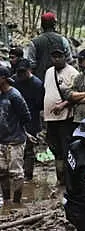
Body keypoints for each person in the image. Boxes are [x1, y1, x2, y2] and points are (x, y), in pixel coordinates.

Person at [43, 44, 79, 185]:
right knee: (54, 147)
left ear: (65, 57)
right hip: (50, 118)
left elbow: (77, 96)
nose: (57, 59)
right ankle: (60, 177)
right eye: (54, 56)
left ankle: (70, 178)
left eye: (60, 56)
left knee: (67, 147)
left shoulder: (72, 73)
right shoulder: (48, 72)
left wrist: (63, 105)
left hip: (65, 118)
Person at [0, 66, 31, 204]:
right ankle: (7, 200)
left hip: (15, 140)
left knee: (16, 173)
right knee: (2, 172)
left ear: (3, 79)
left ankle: (17, 202)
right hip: (2, 140)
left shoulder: (15, 96)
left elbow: (26, 117)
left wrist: (19, 130)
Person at [12, 59, 44, 182]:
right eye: (19, 72)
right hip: (15, 119)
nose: (20, 75)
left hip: (31, 119)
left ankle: (27, 175)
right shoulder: (14, 80)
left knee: (28, 149)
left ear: (29, 70)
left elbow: (39, 105)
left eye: (23, 72)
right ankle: (16, 174)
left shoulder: (37, 84)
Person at [27, 12, 73, 81]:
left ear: (42, 26)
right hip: (60, 81)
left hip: (41, 81)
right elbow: (69, 61)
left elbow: (31, 65)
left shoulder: (34, 42)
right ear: (54, 25)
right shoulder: (63, 40)